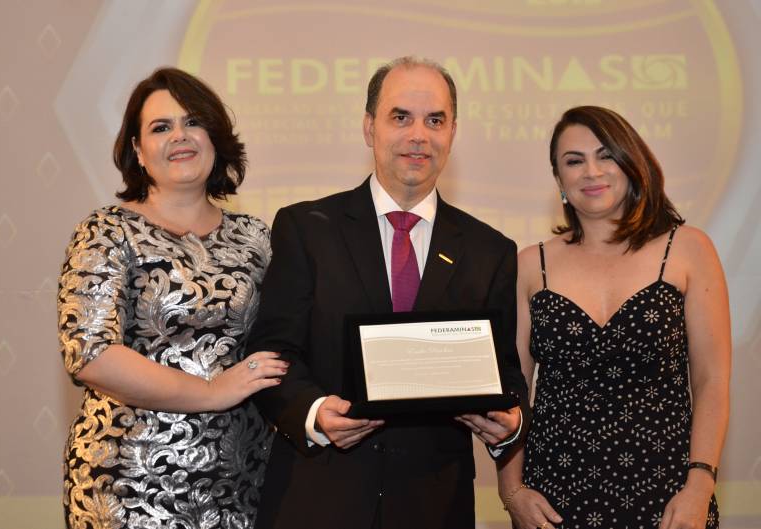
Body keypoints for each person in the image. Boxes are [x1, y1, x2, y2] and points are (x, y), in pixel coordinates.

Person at [244, 56, 529, 529]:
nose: (419, 135)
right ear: (368, 127)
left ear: (453, 132)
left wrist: (512, 421)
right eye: (400, 117)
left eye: (434, 120)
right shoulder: (306, 228)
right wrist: (313, 413)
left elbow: (505, 371)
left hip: (434, 506)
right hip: (318, 498)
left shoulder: (490, 250)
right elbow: (273, 351)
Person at [57, 67, 286, 528]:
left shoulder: (255, 237)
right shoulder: (106, 231)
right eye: (161, 127)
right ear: (138, 151)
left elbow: (285, 338)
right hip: (130, 483)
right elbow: (91, 354)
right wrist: (211, 392)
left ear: (215, 138)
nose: (180, 136)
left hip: (244, 479)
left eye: (193, 122)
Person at [497, 105, 731, 529]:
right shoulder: (530, 265)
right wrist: (511, 491)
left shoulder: (688, 249)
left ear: (631, 163)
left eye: (605, 155)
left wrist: (700, 485)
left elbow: (711, 380)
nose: (591, 171)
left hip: (668, 498)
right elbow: (511, 392)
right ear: (559, 180)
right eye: (574, 161)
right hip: (552, 500)